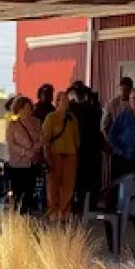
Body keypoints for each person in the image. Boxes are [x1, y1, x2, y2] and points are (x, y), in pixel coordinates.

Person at [42, 90, 79, 221]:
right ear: (57, 102)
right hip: (55, 154)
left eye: (67, 100)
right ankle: (53, 209)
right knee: (53, 184)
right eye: (63, 100)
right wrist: (46, 156)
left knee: (68, 184)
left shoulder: (72, 118)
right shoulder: (51, 117)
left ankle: (65, 211)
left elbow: (76, 138)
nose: (66, 102)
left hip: (70, 154)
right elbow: (45, 139)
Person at [5, 95, 44, 213]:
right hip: (17, 163)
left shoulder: (36, 122)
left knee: (30, 190)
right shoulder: (12, 125)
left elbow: (42, 139)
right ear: (18, 109)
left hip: (32, 163)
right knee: (18, 191)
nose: (27, 111)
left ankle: (27, 211)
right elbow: (11, 144)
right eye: (25, 108)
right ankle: (18, 214)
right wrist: (26, 152)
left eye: (29, 108)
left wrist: (34, 150)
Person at [69, 82, 103, 212]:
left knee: (80, 178)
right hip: (88, 149)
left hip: (82, 149)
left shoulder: (72, 110)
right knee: (87, 178)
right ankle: (88, 203)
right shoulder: (93, 109)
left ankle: (81, 202)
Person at [108, 86, 135, 180]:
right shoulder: (123, 116)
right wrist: (117, 149)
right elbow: (112, 134)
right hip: (122, 158)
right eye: (132, 98)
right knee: (119, 187)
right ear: (129, 100)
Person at [101, 76, 134, 146]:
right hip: (116, 140)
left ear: (131, 90)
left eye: (126, 90)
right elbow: (103, 126)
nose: (123, 92)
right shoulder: (112, 103)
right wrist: (110, 142)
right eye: (121, 89)